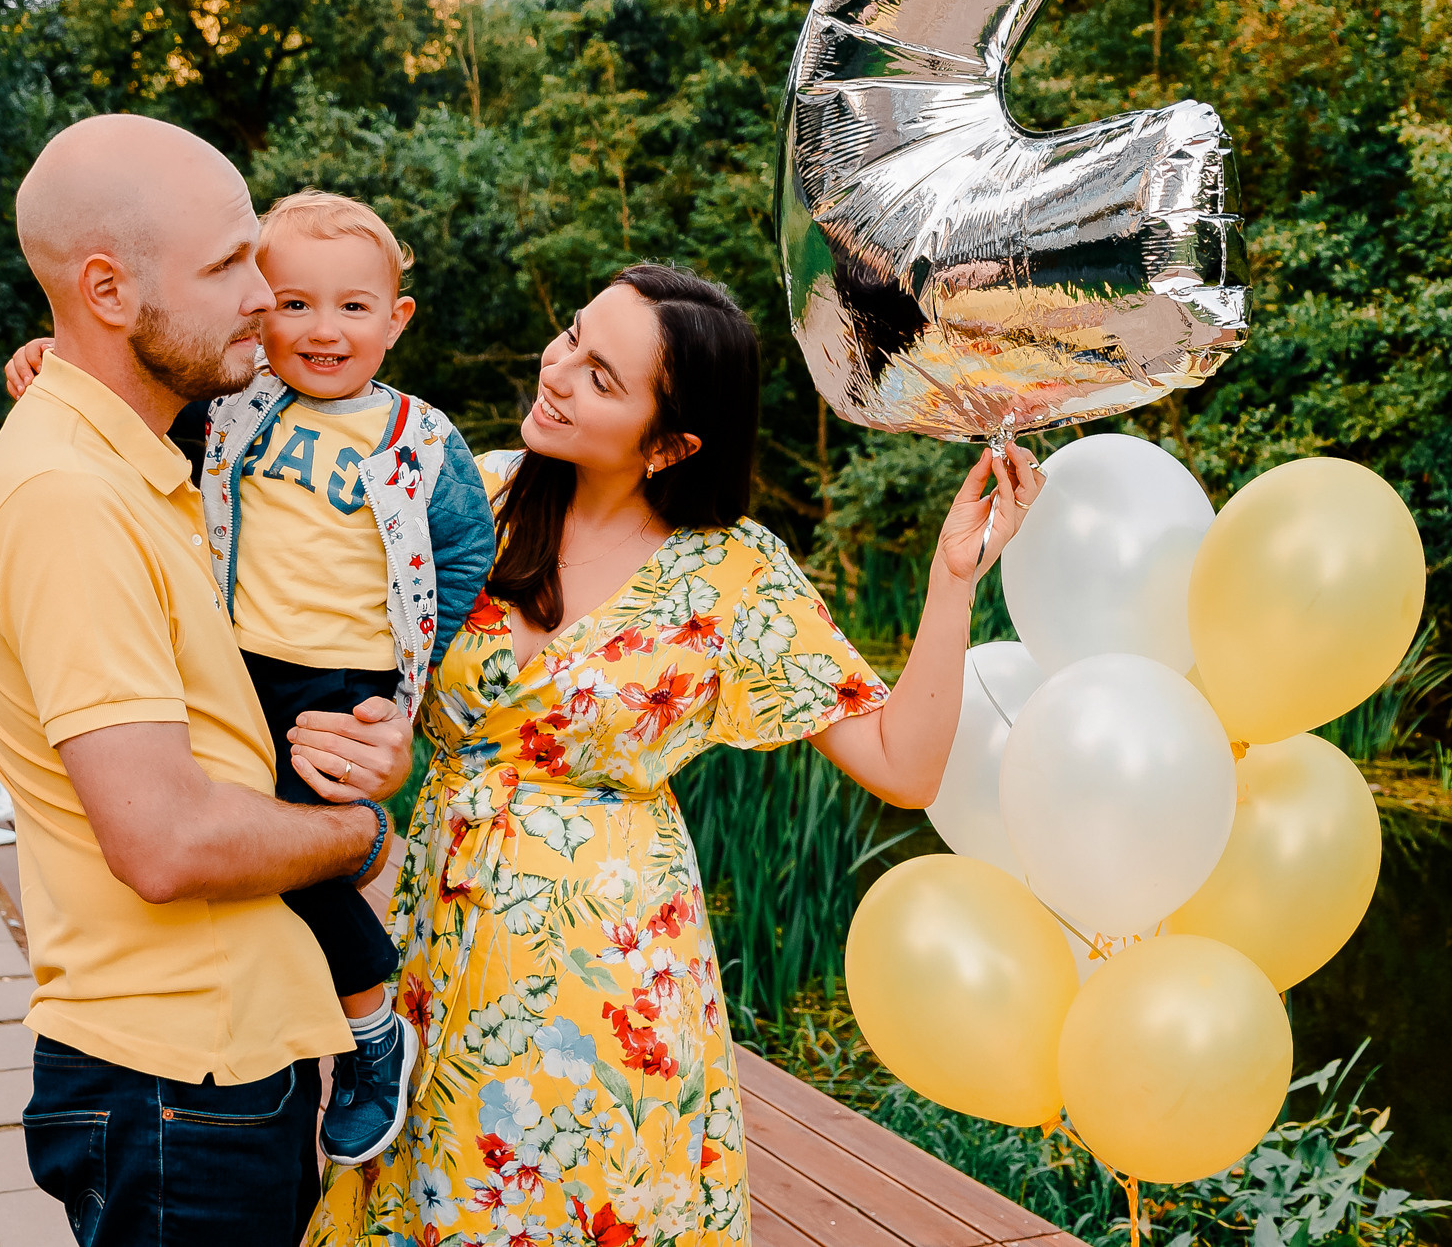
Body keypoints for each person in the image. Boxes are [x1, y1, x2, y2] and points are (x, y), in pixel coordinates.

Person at [307, 263, 1041, 1247]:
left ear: (669, 444)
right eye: (571, 336)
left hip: (620, 982)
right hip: (440, 941)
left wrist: (953, 580)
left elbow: (902, 766)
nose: (558, 370)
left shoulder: (730, 572)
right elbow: (280, 519)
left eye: (602, 376)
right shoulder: (456, 497)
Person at [0, 115, 418, 1246]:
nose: (265, 291)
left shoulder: (146, 467)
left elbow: (219, 743)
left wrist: (351, 746)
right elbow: (165, 839)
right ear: (106, 290)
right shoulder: (69, 502)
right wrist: (358, 837)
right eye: (225, 264)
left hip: (217, 1059)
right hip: (173, 1081)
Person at [0, 189, 497, 1166]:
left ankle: (368, 1034)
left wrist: (409, 693)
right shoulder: (233, 407)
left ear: (396, 320)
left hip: (341, 676)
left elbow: (463, 553)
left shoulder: (418, 438)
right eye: (295, 302)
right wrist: (50, 357)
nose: (322, 329)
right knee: (237, 833)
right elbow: (124, 400)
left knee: (287, 849)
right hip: (236, 664)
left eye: (353, 307)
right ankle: (345, 983)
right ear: (259, 307)